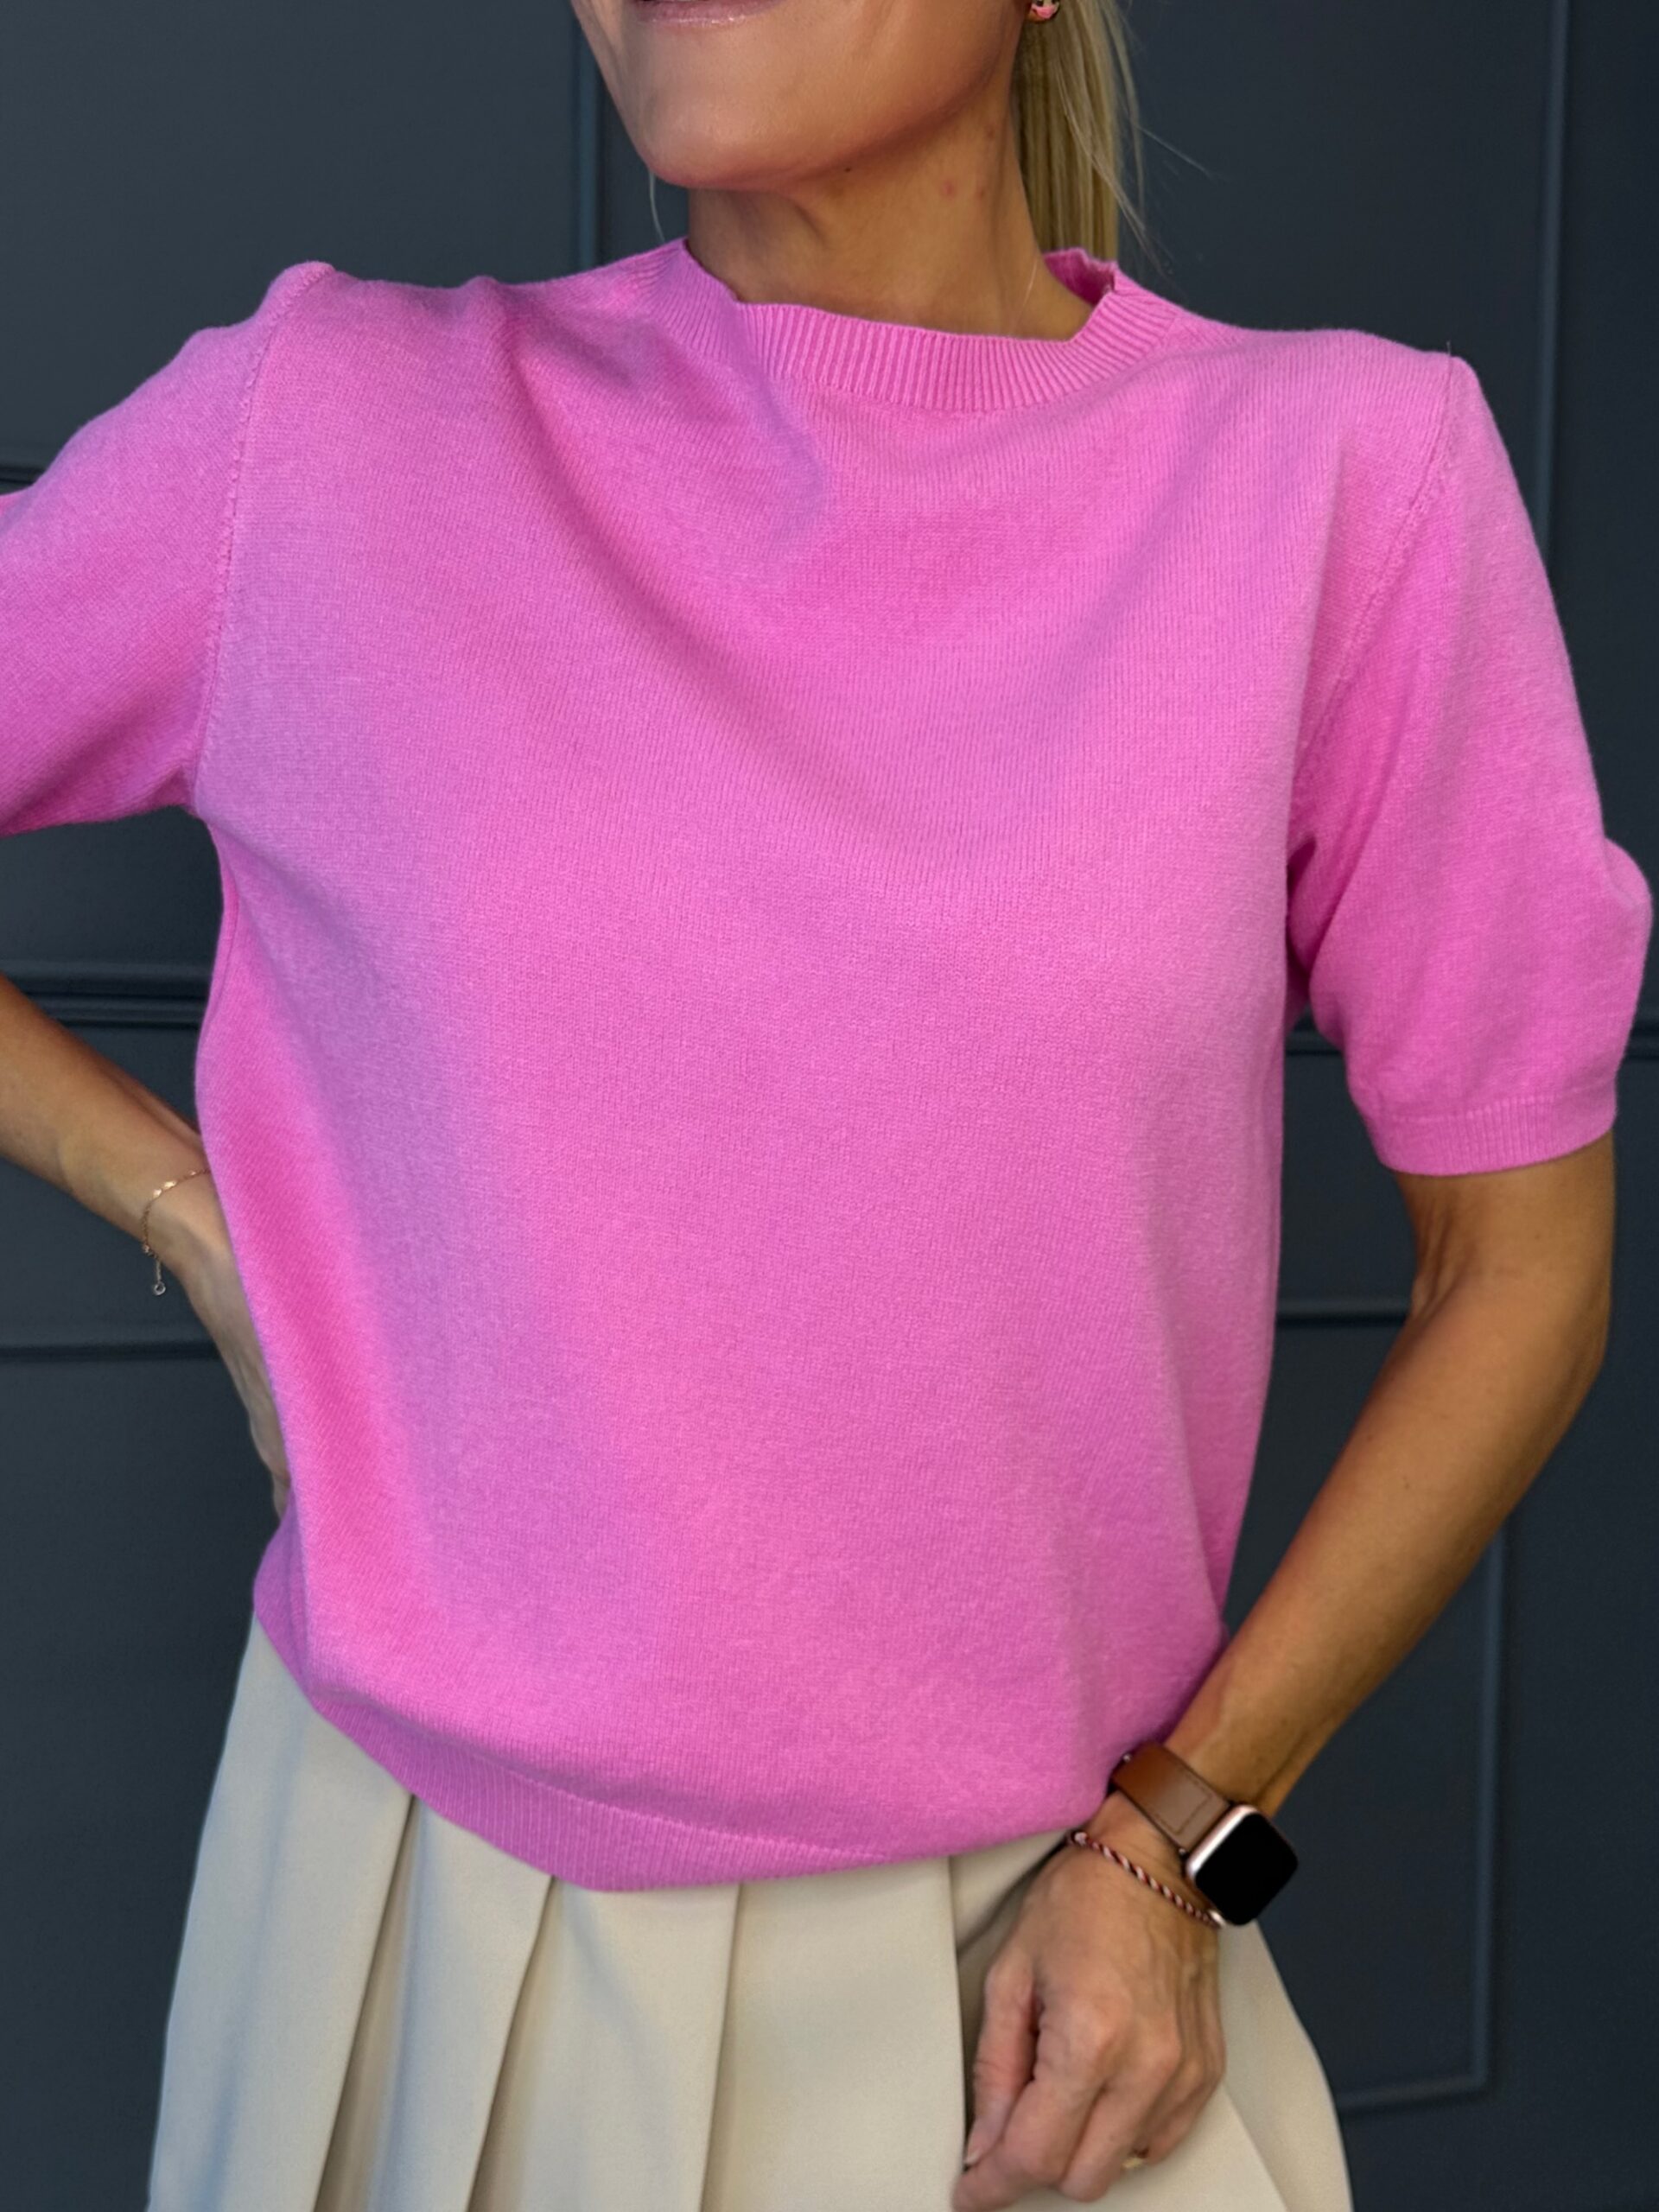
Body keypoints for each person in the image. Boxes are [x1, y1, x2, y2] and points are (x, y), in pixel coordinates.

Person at [1, 0, 1649, 2203]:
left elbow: (1520, 1267)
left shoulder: (1344, 480)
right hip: (403, 1921)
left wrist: (1186, 1836)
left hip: (1046, 1977)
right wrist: (183, 1209)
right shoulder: (326, 427)